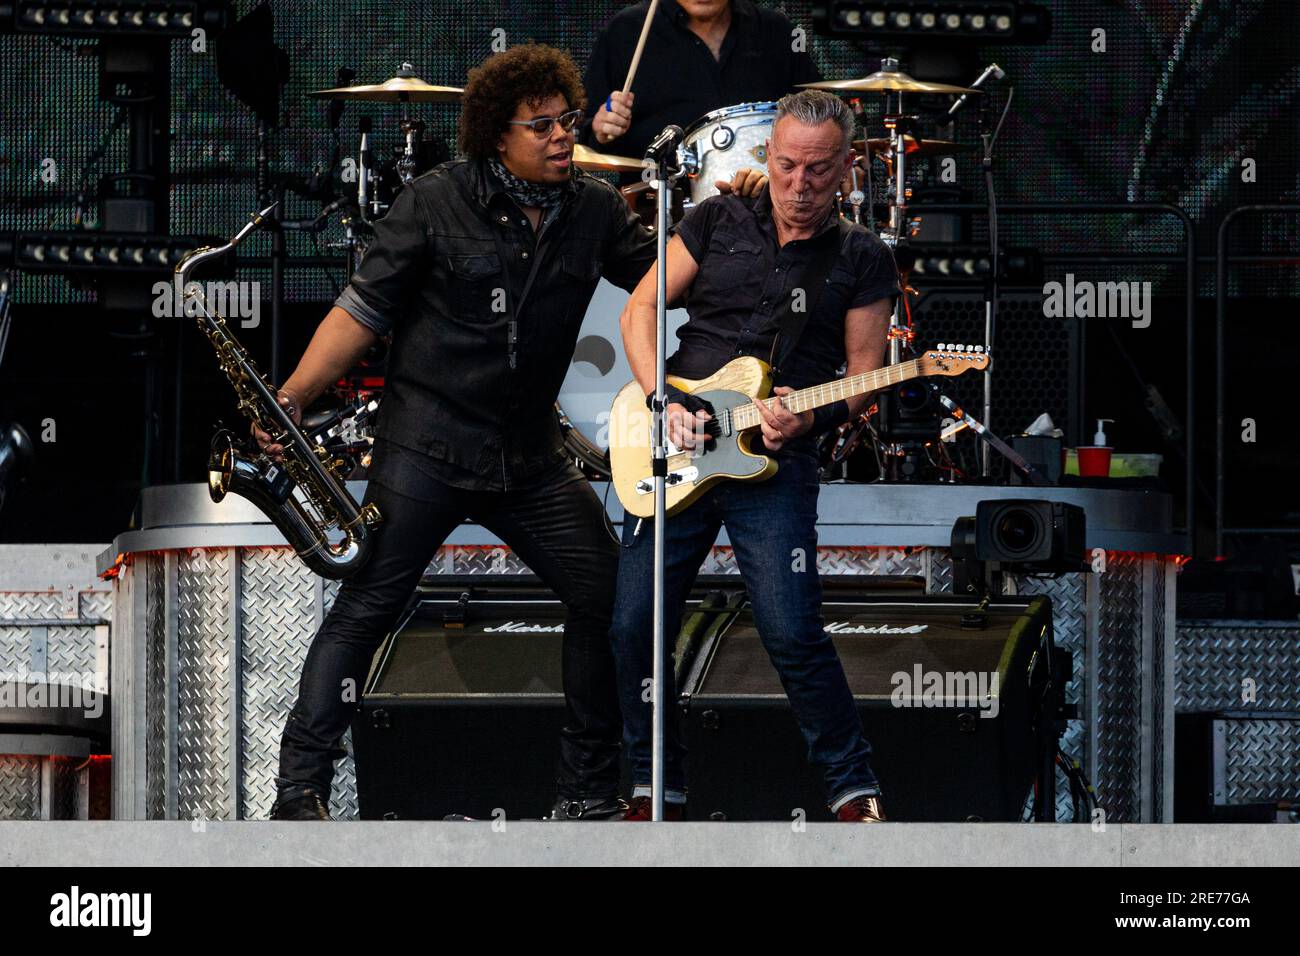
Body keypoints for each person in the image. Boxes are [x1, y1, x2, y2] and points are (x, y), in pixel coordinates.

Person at [261, 43, 764, 823]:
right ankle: (299, 792)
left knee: (607, 597)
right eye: (543, 127)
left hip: (529, 454)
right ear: (498, 134)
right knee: (367, 605)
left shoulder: (595, 210)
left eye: (568, 120)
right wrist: (293, 396)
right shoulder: (433, 202)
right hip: (426, 445)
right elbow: (360, 312)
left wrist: (734, 214)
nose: (565, 136)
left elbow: (663, 280)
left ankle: (588, 793)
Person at [610, 89, 899, 822]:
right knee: (633, 624)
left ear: (848, 169)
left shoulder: (862, 257)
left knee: (791, 628)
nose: (800, 185)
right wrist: (659, 401)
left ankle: (853, 791)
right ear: (765, 157)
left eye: (819, 170)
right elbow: (640, 308)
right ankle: (654, 788)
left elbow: (864, 381)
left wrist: (807, 419)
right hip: (677, 442)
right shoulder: (715, 218)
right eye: (786, 165)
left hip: (774, 457)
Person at [583, 0, 820, 167]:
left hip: (770, 208)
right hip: (659, 211)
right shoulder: (625, 32)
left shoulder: (777, 30)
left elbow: (821, 114)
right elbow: (581, 134)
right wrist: (600, 131)